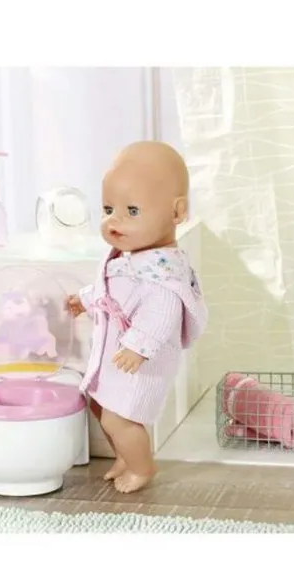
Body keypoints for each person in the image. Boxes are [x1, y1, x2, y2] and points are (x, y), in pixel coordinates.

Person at [66, 141, 208, 493]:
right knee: (101, 407)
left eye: (131, 210)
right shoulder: (133, 260)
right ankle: (124, 458)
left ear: (177, 213)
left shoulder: (164, 275)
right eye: (108, 209)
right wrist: (85, 299)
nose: (114, 220)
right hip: (117, 358)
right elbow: (114, 289)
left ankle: (142, 467)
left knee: (120, 417)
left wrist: (138, 348)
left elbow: (162, 314)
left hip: (140, 363)